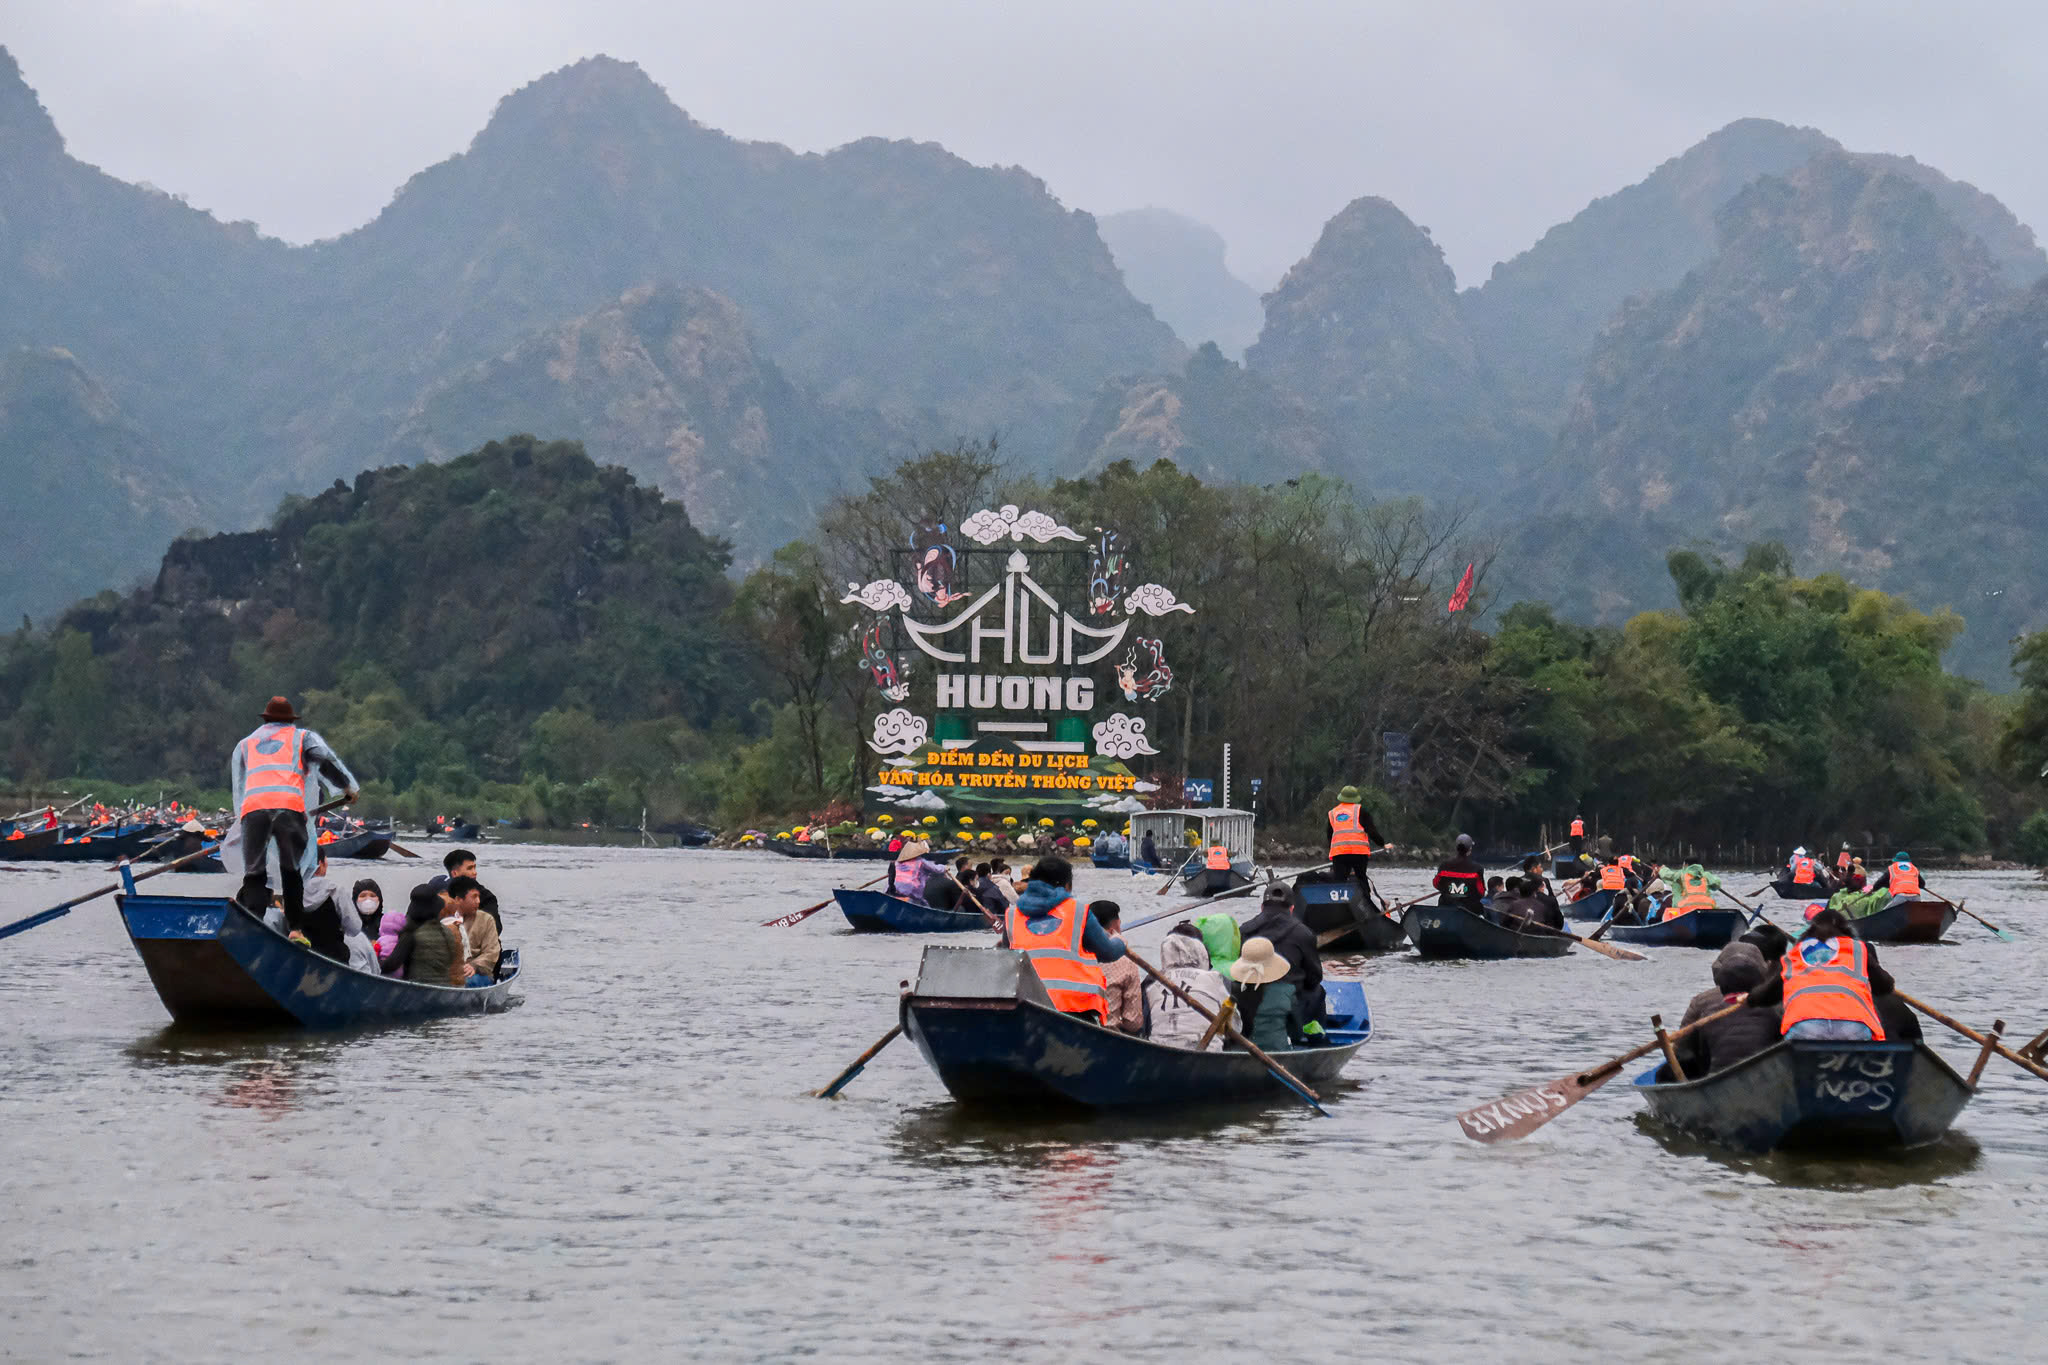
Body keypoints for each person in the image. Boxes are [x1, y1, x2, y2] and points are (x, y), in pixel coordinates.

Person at [229, 695, 358, 939]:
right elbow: (325, 761)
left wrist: (241, 820)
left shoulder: (246, 743)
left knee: (254, 874)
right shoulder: (301, 738)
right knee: (291, 870)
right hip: (288, 808)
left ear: (266, 719)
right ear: (290, 720)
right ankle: (296, 930)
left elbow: (240, 783)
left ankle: (253, 926)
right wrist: (346, 788)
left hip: (254, 809)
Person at [1001, 856, 1126, 1023]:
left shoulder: (1011, 915)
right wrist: (1119, 941)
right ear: (1067, 886)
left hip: (1027, 1006)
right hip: (1073, 1008)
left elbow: (1005, 957)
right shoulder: (1078, 911)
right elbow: (1108, 952)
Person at [1745, 908, 1895, 1041]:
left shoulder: (1793, 954)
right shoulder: (1857, 948)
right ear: (1846, 930)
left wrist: (1749, 997)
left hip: (1805, 1027)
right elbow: (1885, 986)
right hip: (1854, 1027)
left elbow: (1764, 996)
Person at [1658, 942, 1780, 1081]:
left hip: (1715, 1078)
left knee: (1667, 1073)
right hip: (1767, 1076)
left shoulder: (1701, 1001)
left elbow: (1681, 1052)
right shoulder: (1776, 999)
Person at [1236, 880, 1325, 1039]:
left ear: (1262, 907)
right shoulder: (1304, 933)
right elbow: (1314, 977)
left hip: (1250, 1001)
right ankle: (1312, 1037)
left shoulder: (1244, 930)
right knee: (1317, 991)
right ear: (1292, 909)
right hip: (1290, 1003)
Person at [1145, 923, 1230, 1047]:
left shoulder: (1152, 984)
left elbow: (1146, 1026)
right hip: (1208, 1052)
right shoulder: (1216, 979)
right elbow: (1234, 1027)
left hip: (1161, 1051)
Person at [1228, 938, 1296, 1052]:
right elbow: (1296, 1031)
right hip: (1277, 1051)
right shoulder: (1288, 990)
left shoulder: (1231, 990)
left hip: (1239, 1052)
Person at [1090, 902, 1145, 1035]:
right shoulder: (1126, 963)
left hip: (1071, 1027)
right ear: (1116, 925)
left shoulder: (1072, 953)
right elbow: (1134, 1022)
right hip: (1108, 1036)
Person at [1327, 785, 1385, 894]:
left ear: (1341, 797)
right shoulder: (1361, 811)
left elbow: (1330, 835)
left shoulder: (1333, 813)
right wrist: (1382, 844)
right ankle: (1367, 903)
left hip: (1339, 853)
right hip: (1359, 853)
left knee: (1339, 881)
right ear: (1356, 798)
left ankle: (1338, 905)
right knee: (1361, 878)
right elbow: (1372, 831)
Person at [446, 875, 500, 985]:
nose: (478, 901)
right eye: (474, 897)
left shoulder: (486, 919)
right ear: (458, 899)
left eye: (478, 897)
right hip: (449, 972)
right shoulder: (444, 917)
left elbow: (492, 952)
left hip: (478, 973)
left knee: (467, 981)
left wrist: (474, 966)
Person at [442, 848, 501, 933]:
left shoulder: (486, 897)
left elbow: (495, 927)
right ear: (455, 873)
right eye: (470, 868)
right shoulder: (441, 895)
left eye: (474, 868)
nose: (475, 872)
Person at [1433, 834, 1485, 904]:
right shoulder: (1477, 868)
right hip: (1469, 908)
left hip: (1446, 905)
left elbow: (1436, 884)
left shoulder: (1444, 865)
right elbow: (1481, 892)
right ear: (1470, 848)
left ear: (1456, 848)